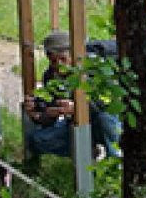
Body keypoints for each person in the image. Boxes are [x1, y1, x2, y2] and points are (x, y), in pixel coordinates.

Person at [23, 31, 122, 163]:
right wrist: (42, 114)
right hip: (74, 124)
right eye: (53, 61)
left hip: (106, 119)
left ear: (74, 56)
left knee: (104, 121)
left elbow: (107, 104)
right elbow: (49, 116)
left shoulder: (95, 68)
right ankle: (91, 152)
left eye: (63, 59)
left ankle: (114, 158)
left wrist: (79, 107)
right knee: (39, 139)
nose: (59, 65)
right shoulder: (51, 76)